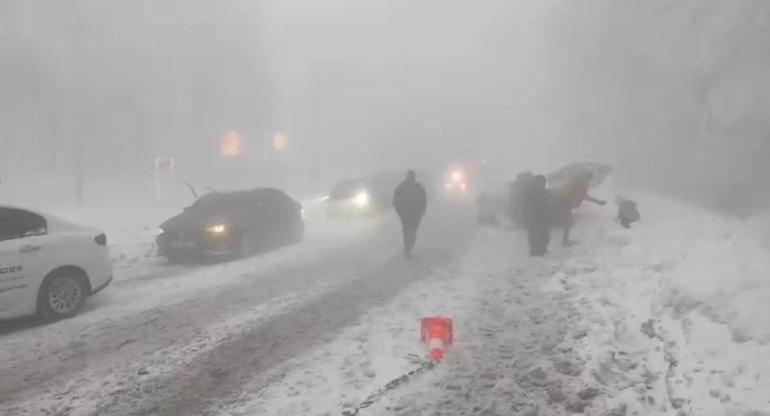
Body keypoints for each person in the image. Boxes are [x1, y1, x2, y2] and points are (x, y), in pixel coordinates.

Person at [393, 170, 428, 257]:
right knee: (410, 230)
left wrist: (422, 210)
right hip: (409, 214)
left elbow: (423, 200)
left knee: (409, 230)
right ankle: (408, 247)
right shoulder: (416, 187)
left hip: (411, 214)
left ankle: (409, 247)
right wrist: (399, 211)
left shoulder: (403, 187)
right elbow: (395, 200)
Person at [523, 175, 550, 256]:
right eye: (542, 182)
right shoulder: (534, 191)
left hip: (540, 216)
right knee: (536, 234)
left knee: (539, 234)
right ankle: (537, 251)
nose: (543, 183)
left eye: (544, 182)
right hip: (536, 216)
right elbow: (528, 203)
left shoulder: (542, 190)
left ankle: (540, 250)